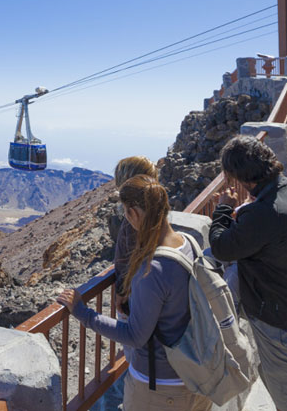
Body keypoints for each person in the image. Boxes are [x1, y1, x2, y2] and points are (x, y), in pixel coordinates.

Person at [58, 175, 212, 411]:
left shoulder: (153, 268)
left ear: (133, 213)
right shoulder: (188, 243)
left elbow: (135, 337)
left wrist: (82, 312)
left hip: (160, 387)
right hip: (197, 377)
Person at [208, 136, 287, 411]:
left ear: (243, 177)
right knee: (279, 385)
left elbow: (221, 247)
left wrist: (223, 209)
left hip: (285, 328)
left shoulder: (265, 214)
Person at [89, 157, 160, 411]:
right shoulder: (155, 213)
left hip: (135, 307)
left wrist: (122, 291)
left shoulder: (134, 222)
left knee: (136, 359)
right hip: (144, 305)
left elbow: (134, 262)